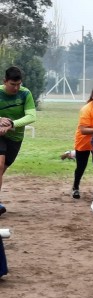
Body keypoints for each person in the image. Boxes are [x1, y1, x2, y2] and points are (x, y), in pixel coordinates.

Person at [0, 66, 36, 215]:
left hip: (15, 138)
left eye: (18, 84)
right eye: (12, 84)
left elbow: (31, 116)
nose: (16, 88)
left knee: (2, 170)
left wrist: (12, 124)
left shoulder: (25, 93)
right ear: (5, 81)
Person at [71, 85, 93, 199]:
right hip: (84, 141)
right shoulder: (86, 109)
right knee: (81, 166)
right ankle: (75, 187)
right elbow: (83, 130)